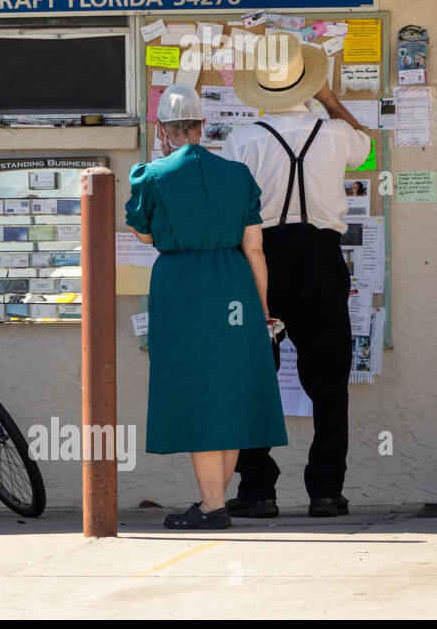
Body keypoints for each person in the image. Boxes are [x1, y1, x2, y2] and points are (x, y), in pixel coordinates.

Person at [220, 31, 373, 518]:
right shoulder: (335, 133)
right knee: (328, 379)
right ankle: (326, 490)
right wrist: (329, 98)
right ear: (306, 85)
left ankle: (257, 490)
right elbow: (365, 149)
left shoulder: (242, 140)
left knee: (251, 375)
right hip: (321, 257)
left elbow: (230, 209)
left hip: (260, 257)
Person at [125, 84, 287, 529]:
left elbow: (144, 234)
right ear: (202, 126)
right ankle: (213, 500)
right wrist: (262, 308)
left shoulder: (152, 175)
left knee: (196, 392)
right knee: (229, 392)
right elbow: (255, 248)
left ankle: (213, 505)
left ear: (164, 129)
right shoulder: (237, 176)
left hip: (181, 286)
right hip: (234, 285)